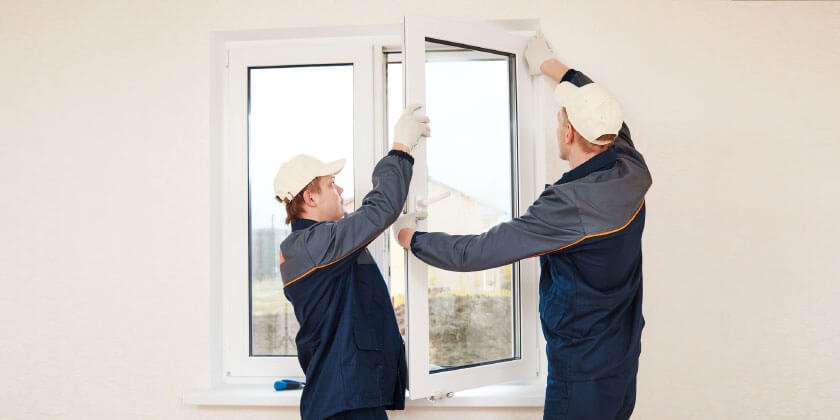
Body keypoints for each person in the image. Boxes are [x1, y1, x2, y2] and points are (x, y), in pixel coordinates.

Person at [391, 33, 652, 419]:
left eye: (560, 121)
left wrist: (411, 238)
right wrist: (551, 66)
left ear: (568, 133)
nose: (557, 127)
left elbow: (477, 251)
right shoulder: (631, 167)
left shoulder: (569, 206)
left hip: (581, 375)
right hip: (621, 362)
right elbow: (605, 107)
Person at [276, 105, 430, 420]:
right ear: (310, 198)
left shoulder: (311, 246)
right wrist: (400, 148)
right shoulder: (315, 245)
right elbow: (379, 210)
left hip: (344, 398)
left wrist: (344, 217)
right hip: (344, 405)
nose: (341, 189)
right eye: (331, 184)